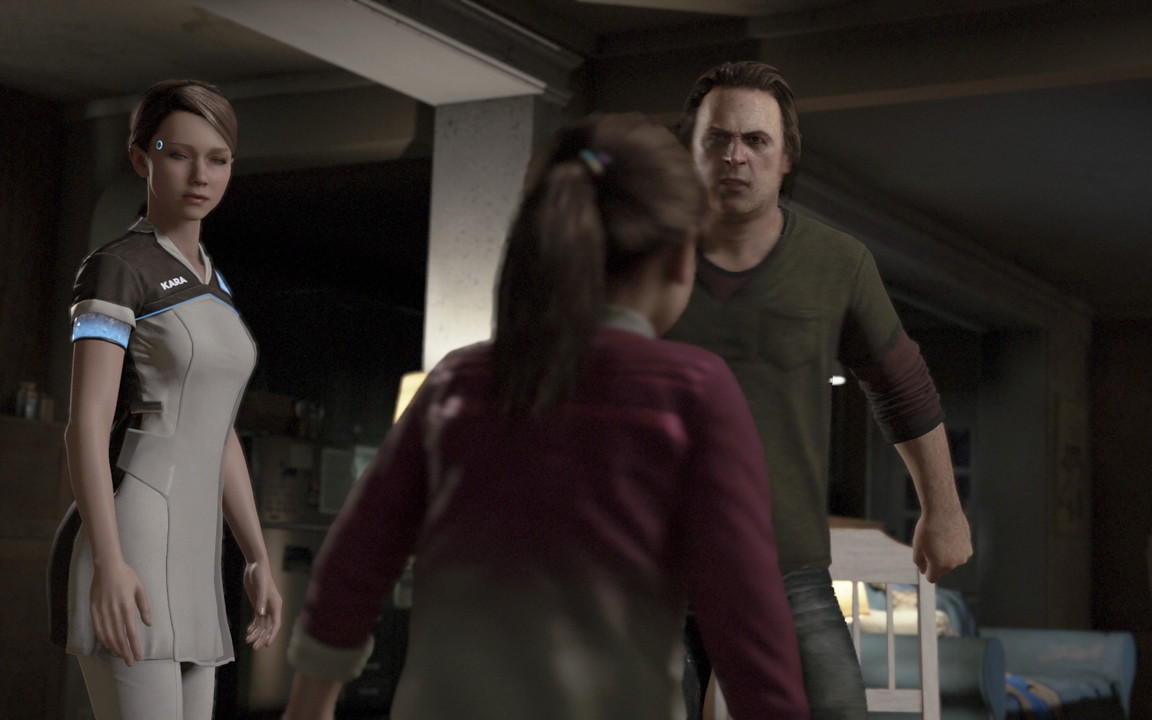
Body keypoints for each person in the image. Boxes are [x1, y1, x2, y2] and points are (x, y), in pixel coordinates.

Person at [282, 113, 810, 720]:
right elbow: (747, 615)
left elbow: (356, 558)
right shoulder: (694, 392)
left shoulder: (456, 383)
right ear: (679, 257)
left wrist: (308, 707)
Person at [667, 61, 974, 719]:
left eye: (756, 141)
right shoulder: (630, 257)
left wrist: (943, 510)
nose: (735, 156)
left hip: (783, 565)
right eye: (717, 138)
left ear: (786, 160)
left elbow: (901, 385)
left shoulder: (837, 262)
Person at [46, 79, 282, 720]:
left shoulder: (214, 282)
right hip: (134, 534)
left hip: (199, 552)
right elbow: (86, 423)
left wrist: (257, 555)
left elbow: (219, 431)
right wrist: (110, 561)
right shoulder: (118, 268)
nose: (200, 175)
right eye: (179, 154)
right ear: (140, 158)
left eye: (218, 159)